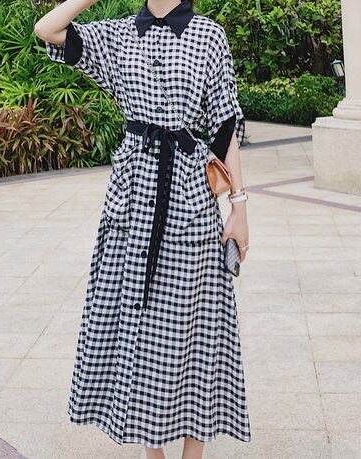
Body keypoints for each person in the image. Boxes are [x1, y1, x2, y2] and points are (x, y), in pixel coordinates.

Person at [34, 1, 251, 458]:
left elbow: (226, 127)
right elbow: (48, 29)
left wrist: (239, 206)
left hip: (189, 196)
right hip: (133, 199)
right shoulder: (118, 35)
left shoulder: (209, 36)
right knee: (139, 323)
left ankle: (193, 452)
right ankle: (153, 453)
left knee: (196, 324)